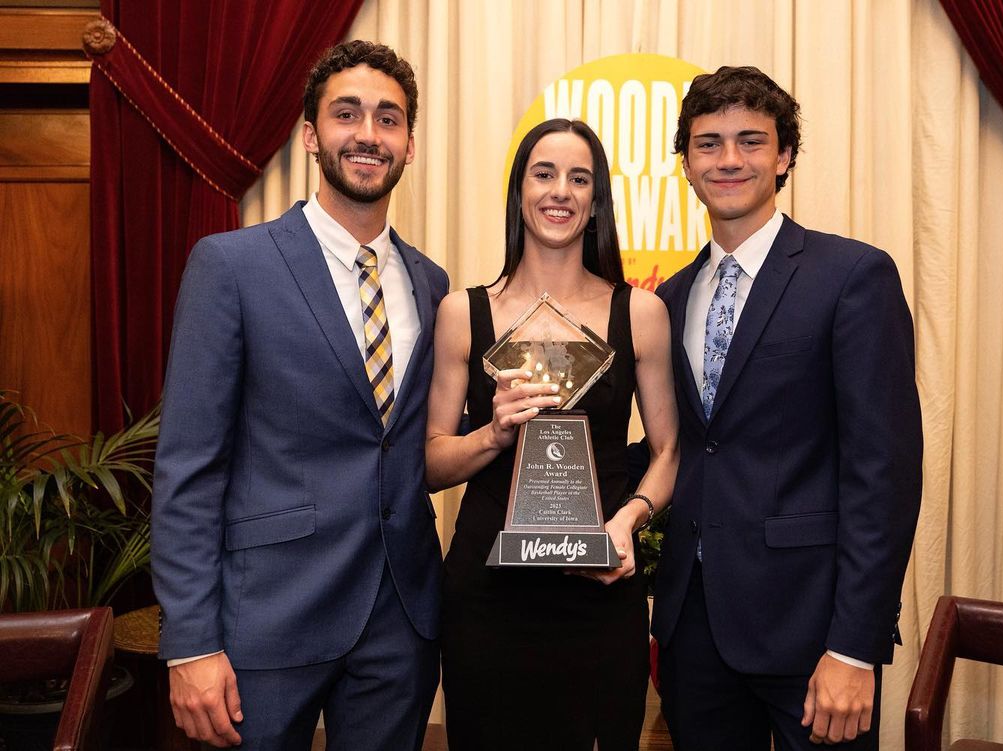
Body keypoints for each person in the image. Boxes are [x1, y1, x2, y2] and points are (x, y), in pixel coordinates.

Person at [151, 41, 447, 750]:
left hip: (399, 622)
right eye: (348, 114)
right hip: (265, 620)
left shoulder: (433, 285)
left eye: (389, 119)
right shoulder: (231, 265)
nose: (369, 135)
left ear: (409, 143)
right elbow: (189, 466)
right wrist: (189, 642)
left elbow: (423, 444)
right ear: (312, 135)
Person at [648, 66, 922, 749]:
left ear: (785, 155)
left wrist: (855, 647)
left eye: (751, 140)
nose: (730, 159)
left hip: (814, 636)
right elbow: (689, 448)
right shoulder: (670, 297)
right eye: (708, 143)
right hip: (694, 632)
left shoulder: (852, 276)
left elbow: (882, 474)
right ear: (686, 163)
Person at [425, 118, 679, 751]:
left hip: (598, 592)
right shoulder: (464, 313)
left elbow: (670, 451)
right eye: (544, 174)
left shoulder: (640, 313)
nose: (559, 191)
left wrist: (625, 524)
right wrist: (492, 432)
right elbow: (430, 462)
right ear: (519, 193)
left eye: (579, 177)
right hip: (488, 594)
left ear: (595, 203)